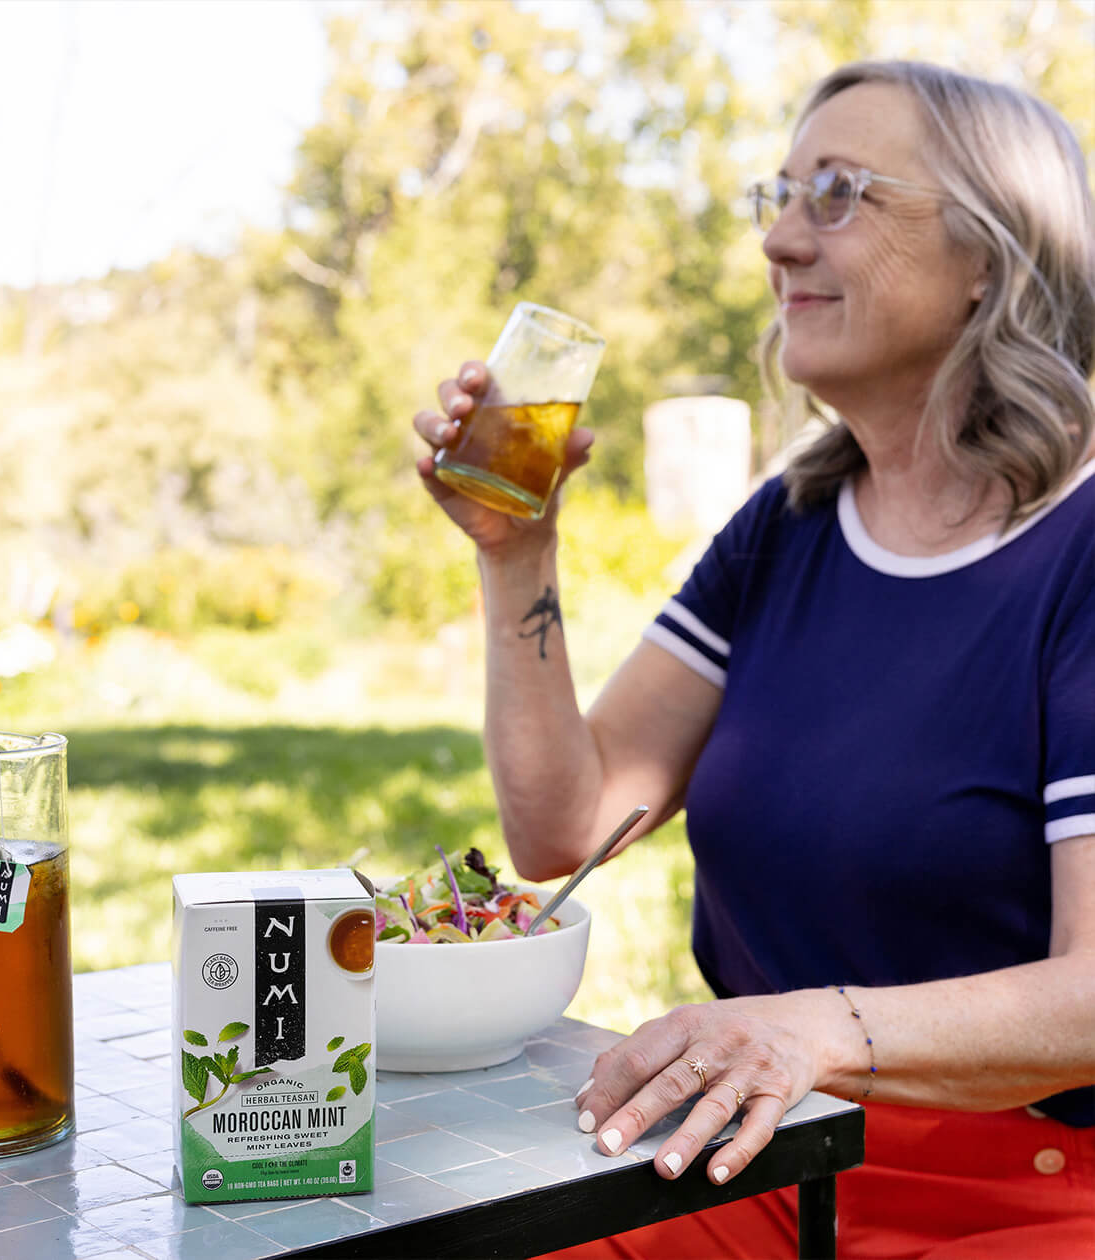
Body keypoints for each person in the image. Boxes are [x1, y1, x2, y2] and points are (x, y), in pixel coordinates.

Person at [412, 60, 1094, 1259]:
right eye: (777, 195)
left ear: (994, 253)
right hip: (765, 1148)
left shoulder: (1079, 548)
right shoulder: (785, 529)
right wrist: (518, 556)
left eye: (838, 194)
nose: (779, 241)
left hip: (1026, 1190)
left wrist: (808, 1032)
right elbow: (567, 827)